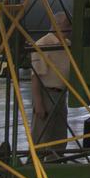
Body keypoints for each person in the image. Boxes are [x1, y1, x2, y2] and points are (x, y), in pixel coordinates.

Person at [30, 13, 72, 156]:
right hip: (46, 95)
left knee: (59, 135)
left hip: (61, 96)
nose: (69, 29)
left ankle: (57, 164)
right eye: (66, 25)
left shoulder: (67, 44)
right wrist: (38, 103)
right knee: (41, 137)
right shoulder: (43, 44)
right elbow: (35, 77)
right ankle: (36, 167)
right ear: (56, 25)